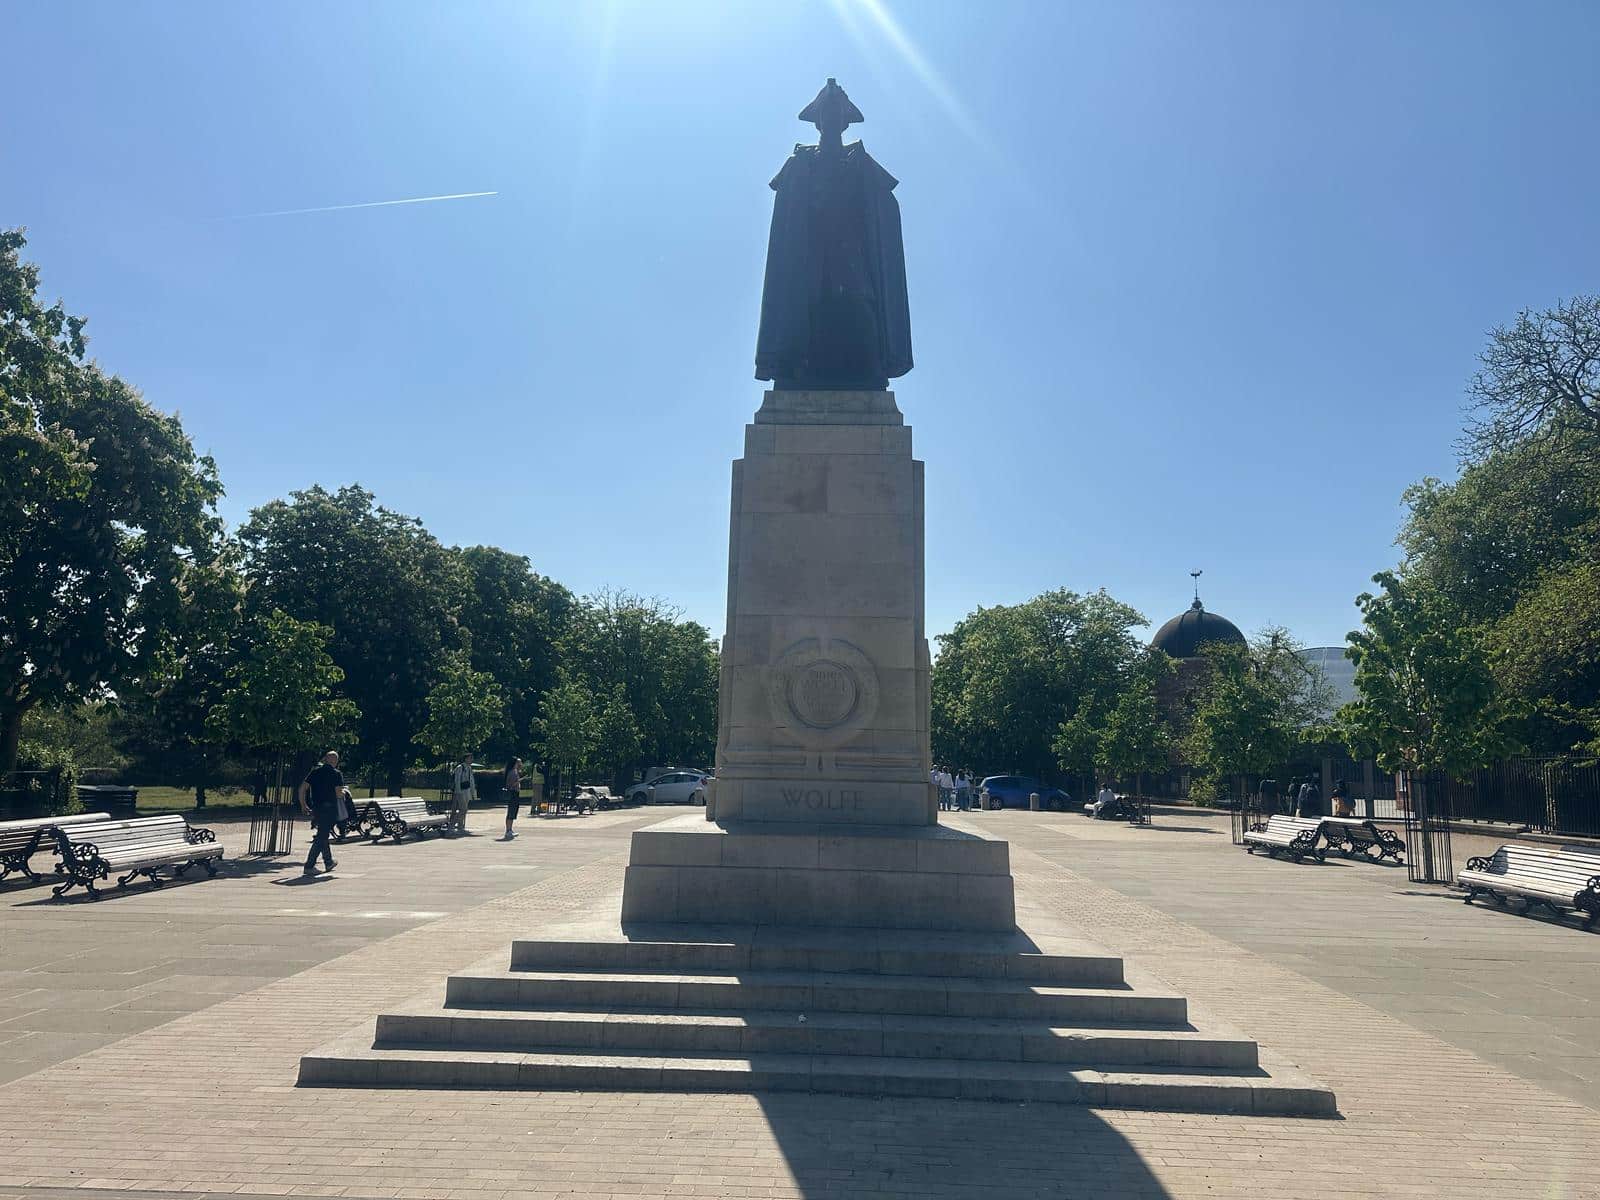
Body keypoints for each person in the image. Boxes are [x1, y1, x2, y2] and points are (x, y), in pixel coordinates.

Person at [298, 750, 348, 877]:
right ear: (335, 761)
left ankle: (328, 861)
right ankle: (309, 865)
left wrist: (303, 805)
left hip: (317, 808)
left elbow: (302, 789)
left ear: (325, 759)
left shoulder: (315, 772)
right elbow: (338, 794)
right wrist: (344, 792)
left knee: (323, 833)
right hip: (329, 809)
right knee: (321, 837)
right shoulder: (336, 774)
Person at [451, 753, 479, 834]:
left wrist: (473, 793)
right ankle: (452, 825)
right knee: (463, 809)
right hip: (461, 791)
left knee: (464, 810)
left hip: (467, 791)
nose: (471, 760)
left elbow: (471, 781)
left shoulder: (469, 768)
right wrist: (458, 791)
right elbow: (457, 780)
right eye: (470, 758)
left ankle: (460, 826)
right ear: (465, 759)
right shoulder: (460, 767)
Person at [502, 757, 523, 840]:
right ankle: (508, 830)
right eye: (518, 762)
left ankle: (510, 829)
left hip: (515, 793)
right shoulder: (512, 772)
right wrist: (519, 781)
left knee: (513, 811)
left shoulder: (514, 771)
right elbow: (511, 784)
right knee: (511, 811)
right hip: (513, 792)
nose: (520, 764)